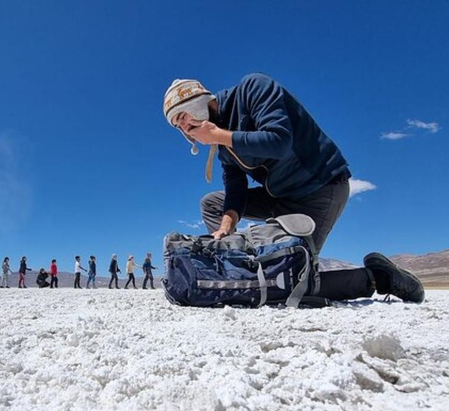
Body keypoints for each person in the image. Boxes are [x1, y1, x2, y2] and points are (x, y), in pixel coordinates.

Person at [162, 74, 424, 303]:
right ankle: (239, 268)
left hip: (320, 189)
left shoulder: (253, 88)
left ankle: (380, 278)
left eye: (183, 116)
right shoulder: (221, 147)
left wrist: (219, 136)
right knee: (212, 204)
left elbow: (279, 141)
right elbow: (235, 187)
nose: (185, 127)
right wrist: (225, 228)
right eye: (178, 126)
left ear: (198, 101)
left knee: (293, 281)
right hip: (281, 197)